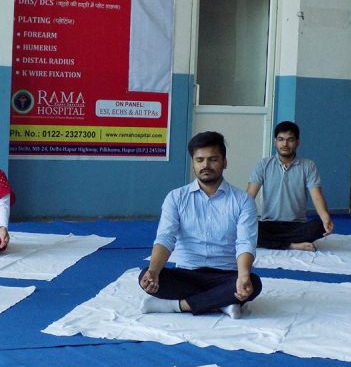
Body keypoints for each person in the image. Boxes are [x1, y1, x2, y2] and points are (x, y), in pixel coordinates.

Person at [138, 131, 262, 319]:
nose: (206, 165)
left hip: (226, 275)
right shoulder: (176, 197)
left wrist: (243, 275)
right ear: (193, 164)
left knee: (253, 283)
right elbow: (165, 238)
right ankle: (223, 303)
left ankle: (178, 305)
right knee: (145, 276)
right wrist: (154, 271)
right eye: (200, 160)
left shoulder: (243, 200)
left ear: (224, 162)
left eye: (213, 159)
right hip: (187, 274)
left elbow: (245, 242)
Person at [247, 121, 334, 251]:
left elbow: (317, 196)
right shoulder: (263, 164)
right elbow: (249, 195)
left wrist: (325, 217)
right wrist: (239, 218)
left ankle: (272, 243)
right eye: (281, 139)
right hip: (269, 224)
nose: (285, 144)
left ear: (298, 142)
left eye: (290, 140)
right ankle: (292, 245)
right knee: (247, 227)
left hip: (297, 225)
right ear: (275, 141)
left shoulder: (308, 166)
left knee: (318, 226)